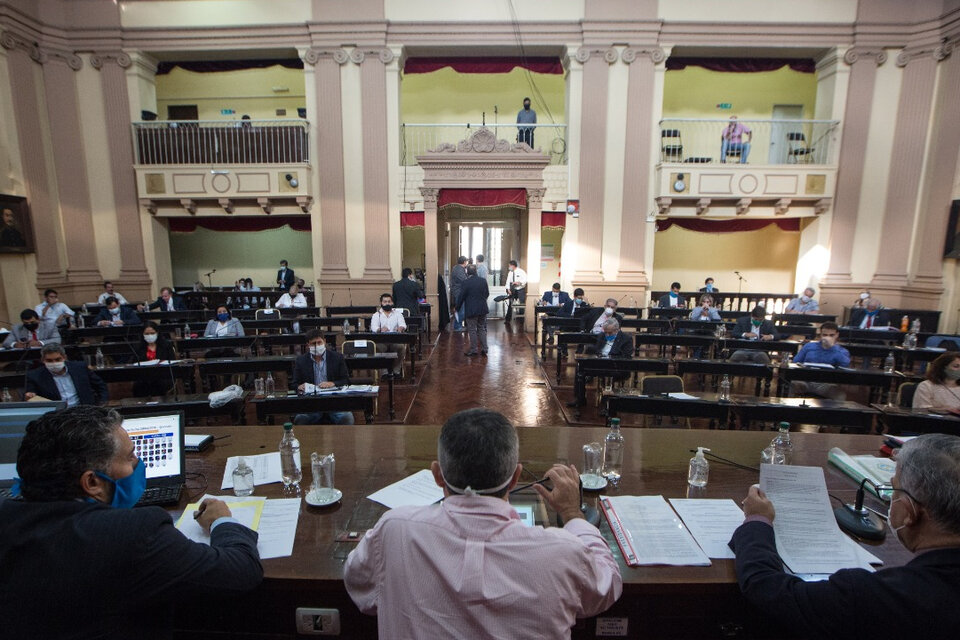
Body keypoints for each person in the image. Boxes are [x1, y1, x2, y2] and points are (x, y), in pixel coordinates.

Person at [344, 408, 622, 638]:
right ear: (515, 478)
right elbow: (606, 586)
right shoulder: (562, 552)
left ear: (438, 475)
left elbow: (360, 586)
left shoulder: (395, 530)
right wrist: (573, 514)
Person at [0, 406, 262, 638]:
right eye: (130, 457)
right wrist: (222, 522)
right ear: (92, 482)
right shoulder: (132, 534)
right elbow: (240, 571)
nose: (139, 463)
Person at [729, 433, 960, 639]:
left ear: (910, 512)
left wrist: (757, 520)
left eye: (894, 490)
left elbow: (767, 589)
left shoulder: (876, 597)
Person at [291, 331, 354, 425]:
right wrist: (299, 386)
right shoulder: (301, 361)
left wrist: (333, 383)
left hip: (334, 402)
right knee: (301, 418)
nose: (317, 346)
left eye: (319, 342)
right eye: (313, 343)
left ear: (324, 341)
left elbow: (346, 380)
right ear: (308, 345)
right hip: (311, 403)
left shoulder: (337, 357)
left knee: (347, 418)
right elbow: (294, 384)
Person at [25, 344, 108, 406]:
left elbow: (100, 385)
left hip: (84, 410)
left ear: (64, 357)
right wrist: (30, 395)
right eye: (49, 360)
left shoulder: (80, 368)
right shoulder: (34, 376)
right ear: (43, 360)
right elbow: (30, 395)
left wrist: (102, 403)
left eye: (58, 359)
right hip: (55, 415)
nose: (54, 363)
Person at [790, 321, 850, 401]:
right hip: (805, 381)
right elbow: (795, 361)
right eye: (824, 335)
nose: (827, 338)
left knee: (840, 396)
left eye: (831, 335)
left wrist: (832, 348)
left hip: (826, 384)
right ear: (820, 335)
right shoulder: (809, 346)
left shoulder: (841, 351)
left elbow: (845, 365)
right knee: (790, 386)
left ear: (837, 335)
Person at [131, 322, 178, 396]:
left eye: (152, 333)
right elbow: (134, 363)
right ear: (143, 334)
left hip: (163, 375)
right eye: (147, 334)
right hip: (144, 376)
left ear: (157, 333)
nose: (150, 335)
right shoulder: (138, 347)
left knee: (159, 383)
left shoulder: (166, 345)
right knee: (139, 385)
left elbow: (172, 361)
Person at [456, 264, 490, 357]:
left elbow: (461, 297)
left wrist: (457, 308)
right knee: (481, 328)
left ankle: (474, 350)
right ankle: (485, 349)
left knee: (472, 329)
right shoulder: (483, 281)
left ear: (467, 272)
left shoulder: (466, 282)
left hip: (471, 309)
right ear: (476, 271)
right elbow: (487, 293)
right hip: (482, 308)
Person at [371, 293, 407, 376]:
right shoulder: (376, 315)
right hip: (381, 341)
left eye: (389, 301)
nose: (387, 303)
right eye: (385, 302)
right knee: (378, 348)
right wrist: (379, 329)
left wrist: (401, 328)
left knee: (401, 348)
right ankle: (384, 372)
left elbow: (403, 324)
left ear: (392, 303)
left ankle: (396, 371)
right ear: (381, 303)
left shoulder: (398, 314)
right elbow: (373, 327)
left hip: (395, 340)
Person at [449, 256, 468, 331]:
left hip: (458, 292)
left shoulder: (456, 268)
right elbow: (464, 280)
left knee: (460, 310)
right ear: (464, 262)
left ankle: (458, 325)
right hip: (459, 292)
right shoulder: (459, 269)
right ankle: (457, 327)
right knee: (461, 311)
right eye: (466, 261)